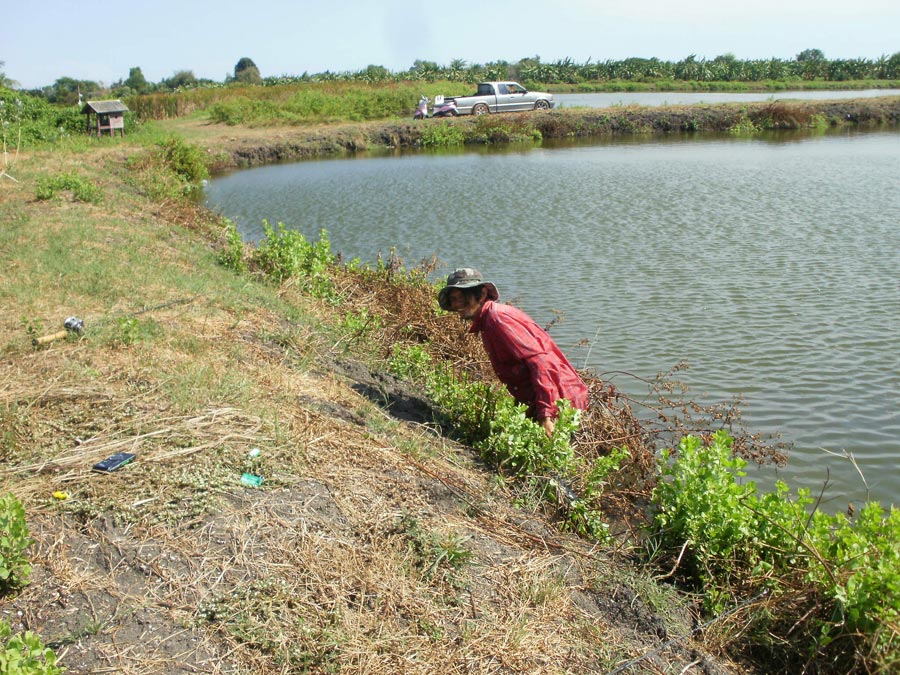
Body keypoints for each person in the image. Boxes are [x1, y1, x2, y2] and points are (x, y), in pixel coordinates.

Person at [438, 268, 589, 435]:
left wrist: (545, 417)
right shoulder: (489, 321)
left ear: (481, 294)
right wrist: (521, 413)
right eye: (453, 299)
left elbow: (541, 363)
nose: (457, 304)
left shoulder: (497, 319)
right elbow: (520, 370)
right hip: (547, 401)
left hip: (561, 403)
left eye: (463, 297)